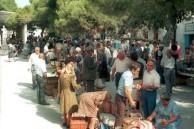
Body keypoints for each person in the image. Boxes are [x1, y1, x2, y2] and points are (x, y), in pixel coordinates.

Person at [114, 62, 141, 127]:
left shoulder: (128, 74)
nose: (138, 73)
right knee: (121, 116)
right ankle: (118, 127)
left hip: (123, 97)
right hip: (121, 97)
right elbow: (126, 90)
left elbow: (127, 86)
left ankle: (122, 127)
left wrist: (134, 86)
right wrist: (131, 101)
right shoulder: (128, 75)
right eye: (137, 71)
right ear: (133, 70)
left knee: (125, 114)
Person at [58, 59, 81, 127]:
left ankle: (64, 121)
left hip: (63, 93)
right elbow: (74, 85)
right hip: (70, 93)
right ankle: (68, 123)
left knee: (65, 108)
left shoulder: (61, 76)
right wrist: (79, 85)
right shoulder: (71, 76)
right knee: (70, 109)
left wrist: (59, 94)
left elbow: (59, 85)